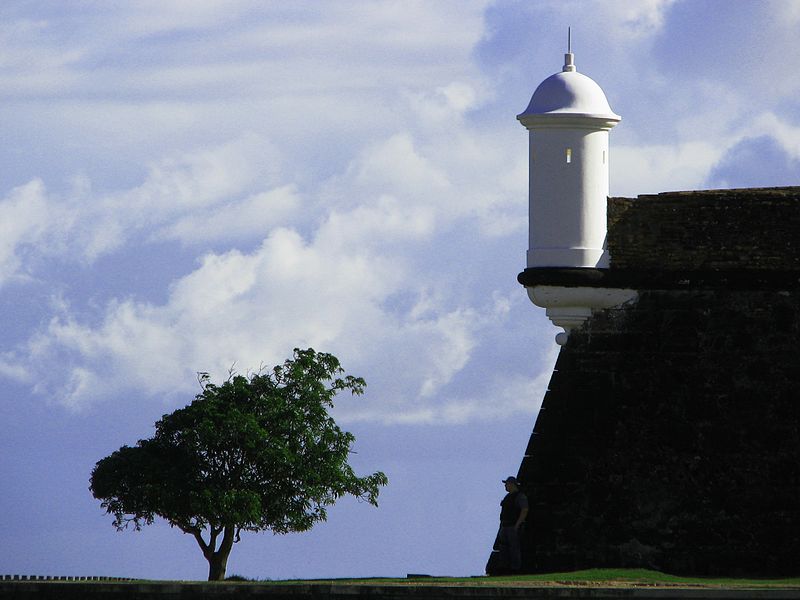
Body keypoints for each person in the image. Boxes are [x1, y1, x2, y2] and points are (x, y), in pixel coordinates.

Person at [489, 476, 528, 574]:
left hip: (512, 526)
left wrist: (517, 525)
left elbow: (524, 510)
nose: (505, 486)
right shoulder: (508, 497)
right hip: (505, 526)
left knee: (514, 548)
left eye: (507, 484)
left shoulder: (519, 496)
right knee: (503, 548)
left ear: (512, 484)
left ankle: (515, 569)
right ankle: (504, 568)